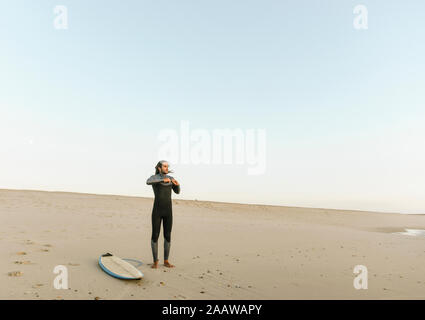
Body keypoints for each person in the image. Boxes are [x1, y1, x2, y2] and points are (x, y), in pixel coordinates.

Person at [146, 160, 180, 268]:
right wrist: (162, 179)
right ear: (159, 168)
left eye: (167, 166)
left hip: (168, 212)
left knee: (167, 236)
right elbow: (148, 182)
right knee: (155, 235)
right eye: (164, 166)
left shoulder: (171, 179)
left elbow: (177, 191)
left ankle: (166, 261)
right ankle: (155, 261)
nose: (166, 168)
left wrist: (177, 185)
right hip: (157, 211)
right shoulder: (154, 177)